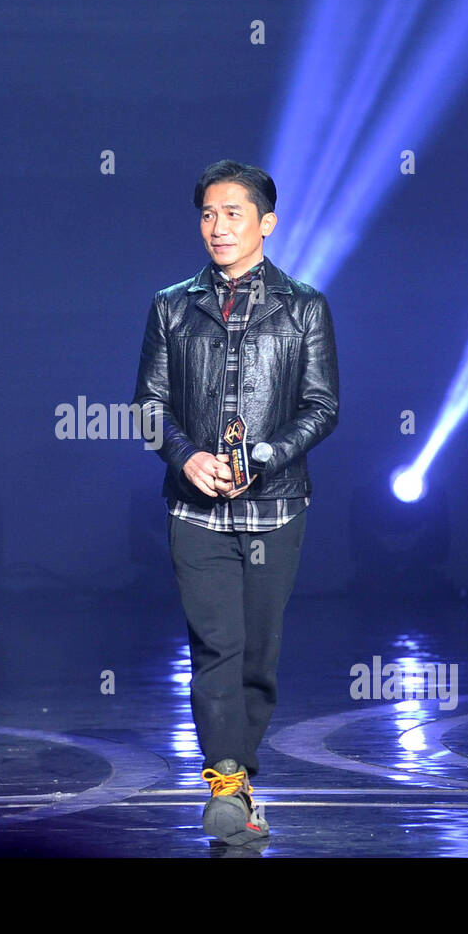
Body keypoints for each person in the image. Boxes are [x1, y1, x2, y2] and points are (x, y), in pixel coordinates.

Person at [133, 160, 339, 845]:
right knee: (214, 646)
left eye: (232, 213)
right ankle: (226, 784)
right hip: (194, 510)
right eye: (207, 214)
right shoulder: (171, 305)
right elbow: (146, 408)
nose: (217, 227)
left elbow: (322, 407)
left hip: (274, 505)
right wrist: (186, 455)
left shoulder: (304, 306)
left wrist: (262, 457)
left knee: (257, 655)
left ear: (266, 223)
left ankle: (240, 777)